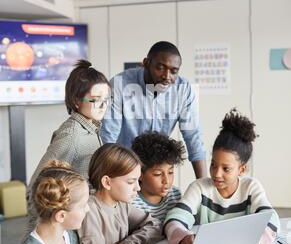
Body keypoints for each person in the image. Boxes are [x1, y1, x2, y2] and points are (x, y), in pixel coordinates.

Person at [164, 109, 280, 244]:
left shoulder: (251, 188)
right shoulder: (200, 188)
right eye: (213, 164)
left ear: (242, 170)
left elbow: (272, 219)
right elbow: (174, 219)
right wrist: (185, 238)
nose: (216, 173)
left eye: (226, 169)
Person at [78, 144, 189, 244]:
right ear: (107, 182)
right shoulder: (89, 211)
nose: (137, 187)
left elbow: (154, 224)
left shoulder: (120, 203)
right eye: (131, 182)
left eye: (137, 180)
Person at [26, 59, 111, 232]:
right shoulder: (71, 135)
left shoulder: (91, 127)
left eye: (107, 99)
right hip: (63, 224)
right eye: (95, 99)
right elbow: (36, 184)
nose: (103, 105)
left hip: (82, 218)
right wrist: (39, 233)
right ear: (76, 101)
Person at [100, 41, 207, 179]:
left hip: (156, 174)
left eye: (174, 71)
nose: (167, 76)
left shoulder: (183, 89)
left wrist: (203, 188)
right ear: (146, 63)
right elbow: (107, 139)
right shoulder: (120, 84)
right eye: (160, 68)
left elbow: (194, 139)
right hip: (123, 168)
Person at [131, 131, 185, 223]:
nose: (166, 181)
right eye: (158, 174)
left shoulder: (175, 195)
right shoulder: (131, 202)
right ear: (139, 174)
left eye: (170, 172)